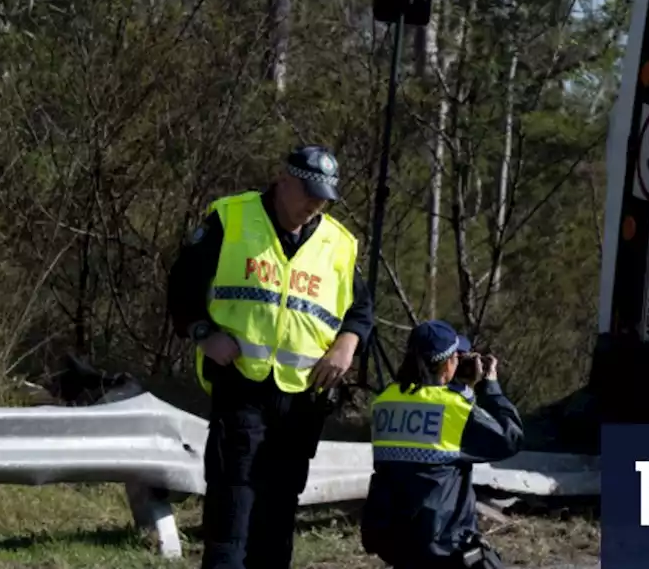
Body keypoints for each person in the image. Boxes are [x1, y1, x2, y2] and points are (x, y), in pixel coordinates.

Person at [166, 144, 374, 569]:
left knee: (278, 515)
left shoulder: (339, 243)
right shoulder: (232, 218)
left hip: (301, 400)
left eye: (323, 198)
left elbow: (361, 311)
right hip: (241, 383)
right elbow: (182, 286)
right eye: (308, 192)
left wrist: (346, 344)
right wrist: (205, 333)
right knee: (233, 504)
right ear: (283, 179)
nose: (314, 205)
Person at [361, 320, 523, 569]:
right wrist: (490, 388)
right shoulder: (453, 409)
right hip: (440, 543)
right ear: (448, 363)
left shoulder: (384, 401)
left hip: (393, 537)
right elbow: (509, 439)